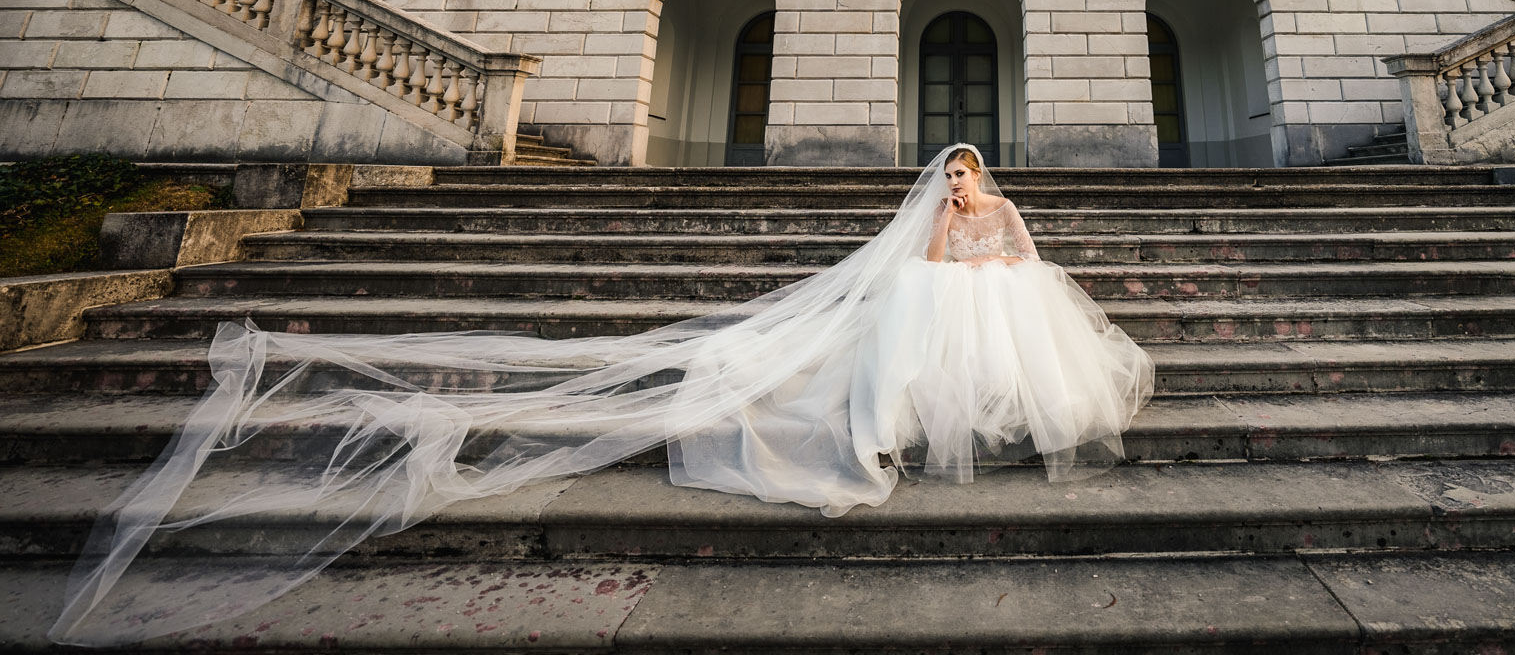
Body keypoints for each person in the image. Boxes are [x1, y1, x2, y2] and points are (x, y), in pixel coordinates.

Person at [51, 143, 1155, 646]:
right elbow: (914, 251)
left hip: (993, 297)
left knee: (992, 300)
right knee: (918, 296)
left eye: (967, 178)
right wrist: (941, 233)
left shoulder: (1001, 212)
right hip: (936, 290)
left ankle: (977, 409)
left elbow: (1019, 253)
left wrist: (986, 250)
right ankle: (903, 412)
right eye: (954, 178)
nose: (963, 188)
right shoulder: (934, 210)